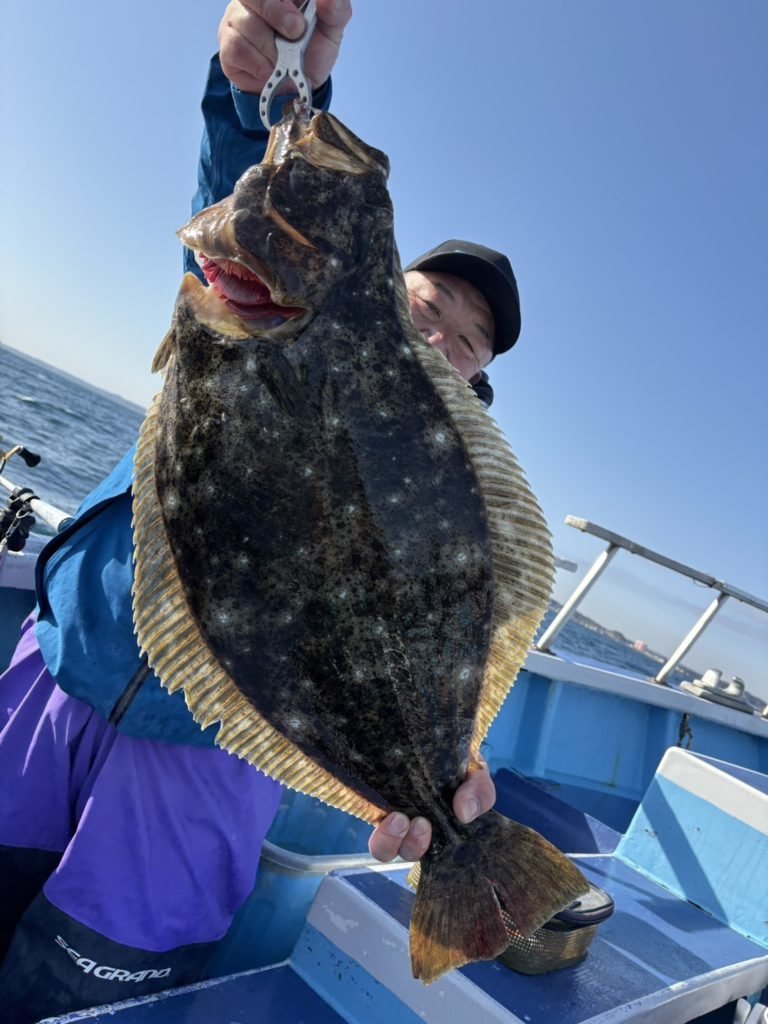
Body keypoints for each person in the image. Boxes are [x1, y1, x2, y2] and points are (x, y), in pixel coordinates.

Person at [0, 2, 519, 1019]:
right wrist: (268, 84)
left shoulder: (435, 494)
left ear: (476, 384)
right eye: (426, 306)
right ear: (373, 289)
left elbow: (432, 628)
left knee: (63, 998)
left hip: (204, 765)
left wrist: (445, 764)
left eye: (468, 343)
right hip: (57, 668)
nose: (439, 339)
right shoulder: (254, 308)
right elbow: (250, 193)